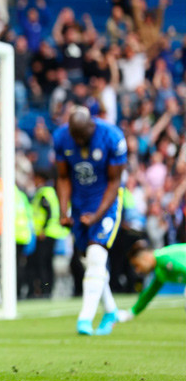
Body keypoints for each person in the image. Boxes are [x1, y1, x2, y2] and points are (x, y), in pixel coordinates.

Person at [54, 106, 127, 336]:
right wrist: (64, 211)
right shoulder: (61, 138)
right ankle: (111, 311)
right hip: (79, 204)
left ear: (91, 126)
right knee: (90, 261)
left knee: (96, 254)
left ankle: (84, 319)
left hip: (106, 203)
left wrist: (97, 215)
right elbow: (63, 177)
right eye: (74, 136)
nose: (78, 141)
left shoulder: (112, 137)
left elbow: (114, 182)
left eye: (82, 136)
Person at [118, 240, 186, 322]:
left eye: (137, 265)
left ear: (145, 257)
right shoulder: (160, 268)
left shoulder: (164, 259)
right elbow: (150, 293)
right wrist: (131, 313)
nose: (137, 271)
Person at [28, 167, 69, 298]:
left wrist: (43, 229)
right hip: (52, 232)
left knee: (42, 263)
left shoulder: (44, 193)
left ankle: (46, 289)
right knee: (47, 262)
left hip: (46, 233)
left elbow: (48, 212)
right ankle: (47, 289)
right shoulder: (51, 192)